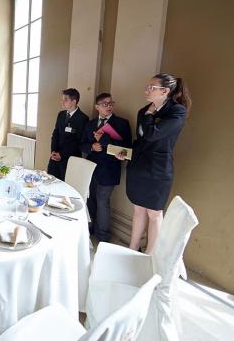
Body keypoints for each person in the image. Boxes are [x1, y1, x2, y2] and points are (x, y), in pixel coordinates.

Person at [120, 73, 191, 254]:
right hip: (138, 166)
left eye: (151, 87)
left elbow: (152, 134)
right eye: (148, 86)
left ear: (165, 91)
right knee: (138, 209)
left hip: (158, 170)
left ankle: (150, 255)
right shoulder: (143, 111)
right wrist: (126, 152)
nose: (147, 90)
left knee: (154, 213)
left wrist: (150, 115)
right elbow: (141, 140)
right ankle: (133, 248)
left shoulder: (177, 111)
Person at [80, 93, 132, 242]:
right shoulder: (90, 124)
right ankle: (89, 229)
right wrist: (91, 147)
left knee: (103, 202)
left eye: (110, 103)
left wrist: (102, 140)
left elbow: (126, 149)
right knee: (90, 200)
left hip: (109, 170)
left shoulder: (122, 123)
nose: (108, 106)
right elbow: (82, 144)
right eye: (104, 104)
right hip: (91, 168)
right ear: (97, 107)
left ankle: (103, 236)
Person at [47, 88, 89, 181]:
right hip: (55, 157)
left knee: (66, 186)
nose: (62, 102)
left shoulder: (82, 118)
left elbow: (78, 141)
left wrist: (61, 154)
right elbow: (55, 133)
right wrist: (53, 151)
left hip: (70, 158)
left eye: (65, 100)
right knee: (50, 182)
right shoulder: (61, 114)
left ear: (74, 101)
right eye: (62, 99)